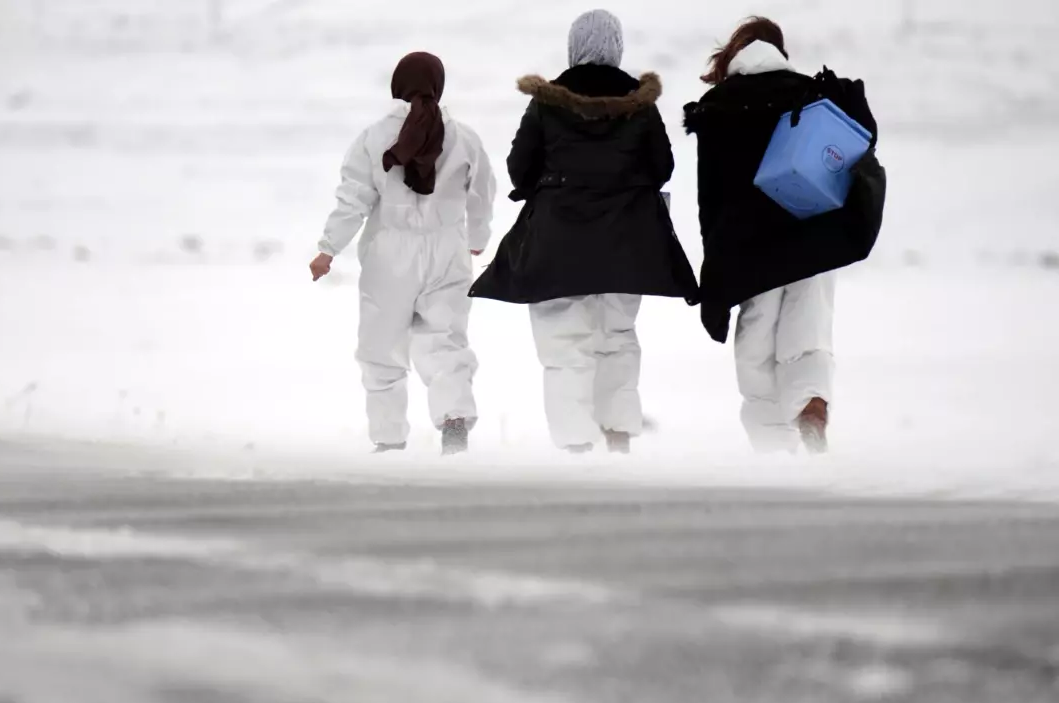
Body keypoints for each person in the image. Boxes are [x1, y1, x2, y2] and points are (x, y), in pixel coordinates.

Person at [470, 10, 698, 455]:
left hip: (559, 242)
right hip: (627, 243)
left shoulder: (547, 102)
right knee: (616, 342)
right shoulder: (640, 104)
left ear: (574, 48)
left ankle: (576, 449)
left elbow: (519, 168)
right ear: (616, 49)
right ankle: (618, 441)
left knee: (564, 348)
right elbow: (663, 168)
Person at [684, 17, 884, 454]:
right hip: (815, 236)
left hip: (752, 250)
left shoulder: (718, 107)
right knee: (807, 338)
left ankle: (772, 454)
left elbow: (711, 201)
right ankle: (812, 419)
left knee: (756, 352)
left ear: (733, 54)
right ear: (780, 52)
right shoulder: (809, 95)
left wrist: (715, 275)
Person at [311, 52, 496, 455]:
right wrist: (478, 234)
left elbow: (353, 199)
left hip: (389, 255)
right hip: (448, 249)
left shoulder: (374, 137)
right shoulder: (463, 138)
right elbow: (482, 191)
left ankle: (389, 438)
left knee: (381, 345)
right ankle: (454, 422)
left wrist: (328, 249)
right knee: (445, 339)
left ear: (397, 85)